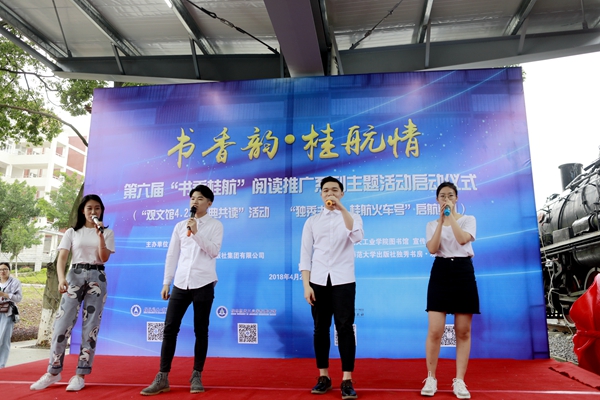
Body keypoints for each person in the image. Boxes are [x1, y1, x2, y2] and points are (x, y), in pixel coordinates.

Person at [141, 184, 223, 396]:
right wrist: (166, 282)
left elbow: (214, 251)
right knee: (170, 328)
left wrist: (196, 233)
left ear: (209, 203)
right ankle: (162, 376)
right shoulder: (180, 226)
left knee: (201, 330)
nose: (195, 201)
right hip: (180, 283)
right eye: (193, 198)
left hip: (204, 282)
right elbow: (172, 255)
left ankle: (196, 375)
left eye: (200, 198)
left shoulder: (215, 225)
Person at [30, 194, 115, 392]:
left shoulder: (107, 232)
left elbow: (104, 258)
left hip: (97, 276)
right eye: (89, 208)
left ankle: (80, 375)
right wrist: (61, 279)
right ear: (82, 211)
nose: (93, 211)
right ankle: (53, 371)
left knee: (91, 326)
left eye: (97, 208)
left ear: (101, 210)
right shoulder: (72, 232)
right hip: (74, 275)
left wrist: (100, 235)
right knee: (61, 325)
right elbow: (62, 258)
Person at [299, 176, 364, 400]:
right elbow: (305, 255)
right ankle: (323, 376)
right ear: (321, 195)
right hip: (318, 281)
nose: (330, 194)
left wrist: (341, 208)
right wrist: (306, 285)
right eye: (326, 190)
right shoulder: (312, 221)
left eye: (335, 190)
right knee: (320, 328)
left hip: (343, 280)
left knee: (345, 328)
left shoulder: (352, 217)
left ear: (342, 193)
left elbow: (357, 236)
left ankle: (347, 379)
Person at [421, 182, 479, 399]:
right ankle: (431, 377)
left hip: (463, 271)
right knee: (435, 330)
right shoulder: (431, 224)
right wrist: (441, 222)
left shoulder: (468, 219)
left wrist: (451, 217)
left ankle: (460, 381)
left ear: (456, 198)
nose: (446, 199)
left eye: (450, 196)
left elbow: (462, 239)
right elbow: (432, 248)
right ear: (437, 200)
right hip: (441, 272)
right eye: (442, 196)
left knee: (463, 331)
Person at [0, 261, 22, 368]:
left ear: (9, 270)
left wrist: (5, 294)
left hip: (7, 313)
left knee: (4, 339)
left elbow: (19, 298)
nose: (2, 271)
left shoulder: (15, 282)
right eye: (0, 269)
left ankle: (1, 365)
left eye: (5, 269)